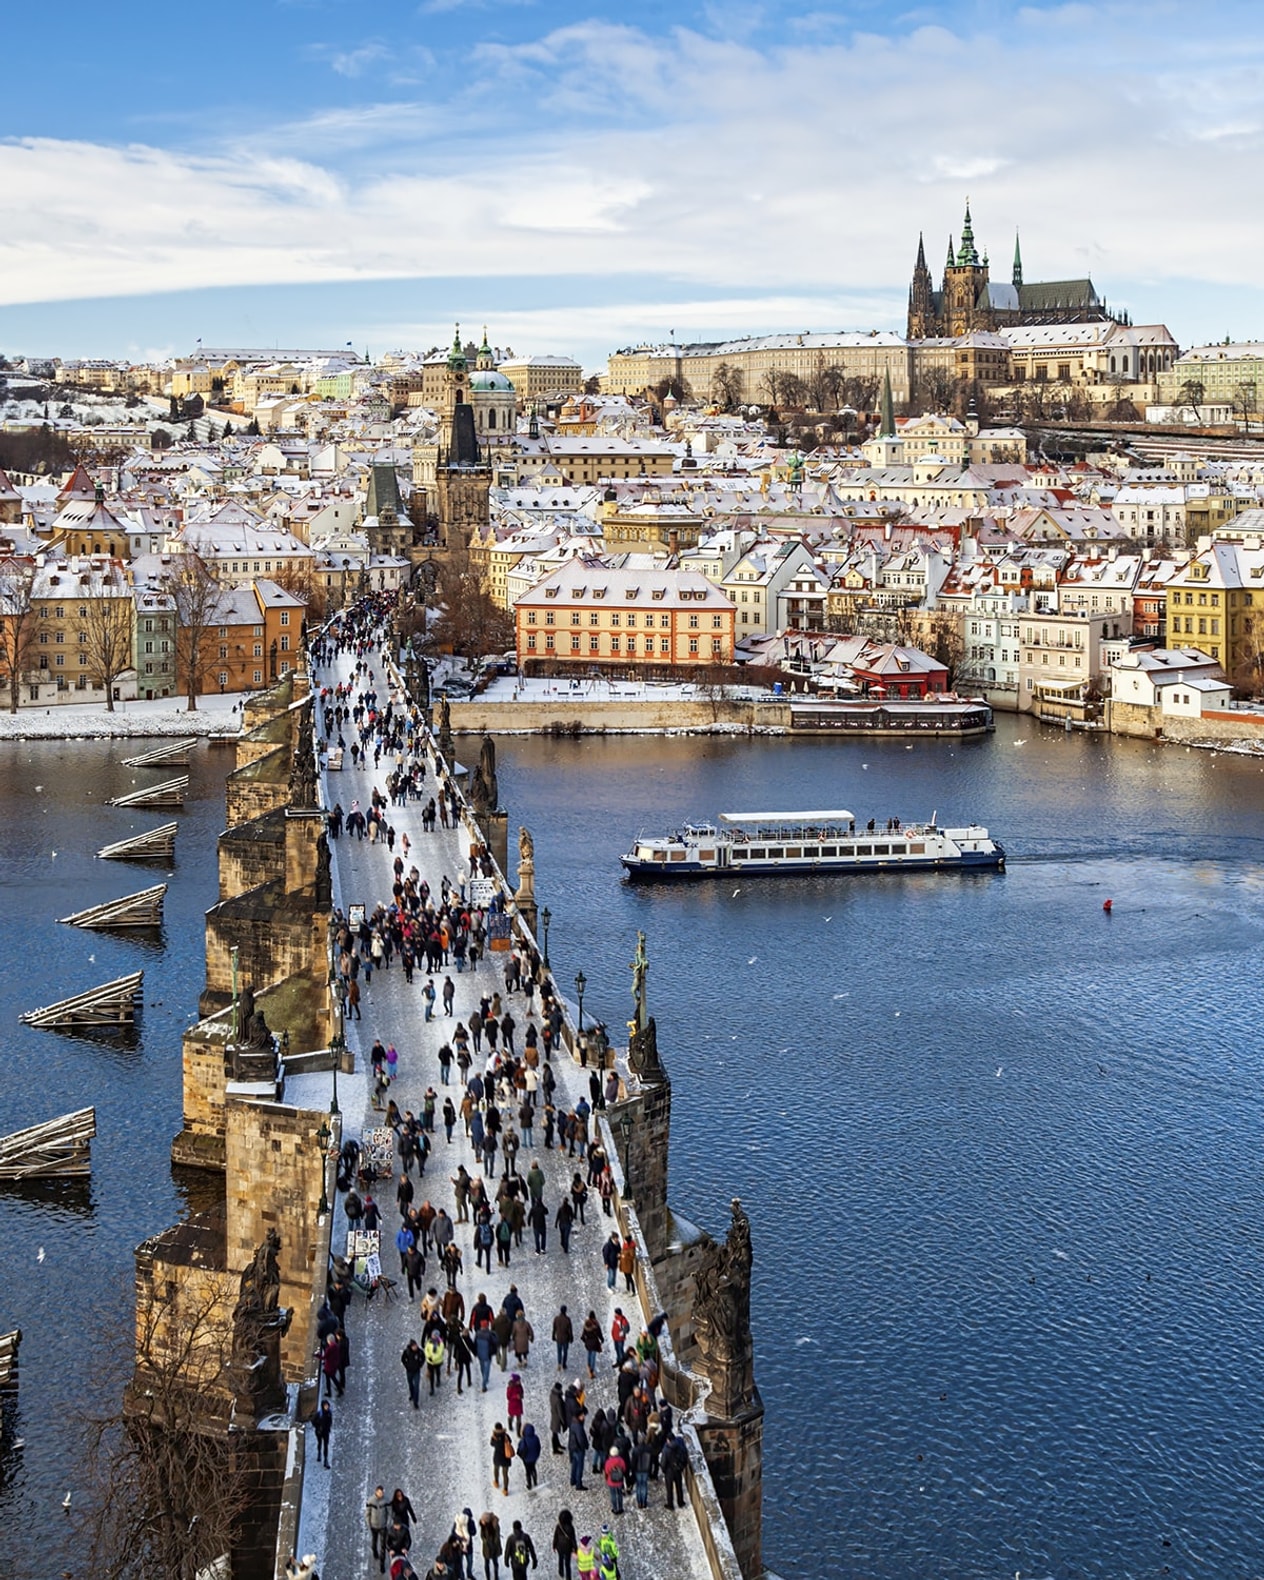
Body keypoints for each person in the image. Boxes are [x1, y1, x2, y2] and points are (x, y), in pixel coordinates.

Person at [661, 1430, 688, 1510]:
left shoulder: (666, 1449)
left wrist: (664, 1470)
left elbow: (663, 1462)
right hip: (677, 1470)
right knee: (679, 1487)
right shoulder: (679, 1446)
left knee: (669, 1489)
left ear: (668, 1440)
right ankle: (680, 1502)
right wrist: (681, 1467)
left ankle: (670, 1504)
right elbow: (684, 1457)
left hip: (669, 1471)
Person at [365, 1485, 389, 1574]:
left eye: (382, 1492)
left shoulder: (386, 1500)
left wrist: (388, 1523)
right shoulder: (371, 1501)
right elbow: (367, 1513)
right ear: (376, 1492)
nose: (381, 1494)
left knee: (383, 1546)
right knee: (374, 1542)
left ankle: (382, 1565)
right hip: (374, 1526)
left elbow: (389, 1512)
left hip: (383, 1526)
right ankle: (375, 1552)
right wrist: (369, 1524)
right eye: (379, 1492)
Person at [567, 1407, 588, 1491]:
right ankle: (579, 1484)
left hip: (573, 1447)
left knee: (574, 1464)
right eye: (582, 1415)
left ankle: (573, 1480)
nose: (584, 1417)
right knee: (580, 1466)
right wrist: (584, 1446)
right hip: (578, 1448)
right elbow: (580, 1439)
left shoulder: (573, 1422)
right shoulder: (578, 1426)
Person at [551, 1511, 577, 1580]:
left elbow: (555, 1537)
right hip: (568, 1548)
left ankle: (561, 1572)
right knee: (567, 1564)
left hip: (559, 1547)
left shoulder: (558, 1526)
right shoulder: (571, 1528)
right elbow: (573, 1539)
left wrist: (554, 1545)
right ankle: (568, 1577)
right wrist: (575, 1549)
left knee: (560, 1559)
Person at [491, 1422, 515, 1495]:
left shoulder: (494, 1436)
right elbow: (510, 1441)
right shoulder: (505, 1436)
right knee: (505, 1474)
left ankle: (496, 1482)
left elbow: (492, 1444)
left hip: (497, 1456)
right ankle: (505, 1489)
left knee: (496, 1469)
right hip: (505, 1457)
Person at [603, 1444, 626, 1516]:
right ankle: (620, 1508)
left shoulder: (608, 1461)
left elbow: (607, 1471)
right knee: (619, 1495)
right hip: (619, 1480)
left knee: (613, 1495)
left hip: (611, 1481)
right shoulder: (621, 1460)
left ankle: (615, 1508)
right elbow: (624, 1469)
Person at [479, 1510, 503, 1580]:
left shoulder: (495, 1525)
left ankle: (496, 1577)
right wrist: (485, 1541)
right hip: (486, 1548)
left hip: (494, 1547)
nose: (482, 1521)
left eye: (483, 1520)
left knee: (495, 1562)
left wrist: (493, 1545)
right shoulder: (483, 1526)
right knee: (486, 1563)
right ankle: (488, 1577)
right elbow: (482, 1535)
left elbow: (497, 1537)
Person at [402, 1338, 424, 1409]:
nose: (415, 1347)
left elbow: (423, 1358)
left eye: (416, 1345)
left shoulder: (419, 1352)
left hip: (416, 1371)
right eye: (414, 1346)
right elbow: (403, 1359)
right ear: (411, 1346)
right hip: (409, 1371)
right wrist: (407, 1366)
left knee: (416, 1386)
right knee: (410, 1384)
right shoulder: (407, 1352)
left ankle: (415, 1402)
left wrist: (420, 1365)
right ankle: (412, 1394)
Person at [580, 1311, 603, 1380]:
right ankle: (592, 1370)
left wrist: (585, 1341)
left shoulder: (586, 1324)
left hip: (588, 1342)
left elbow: (582, 1336)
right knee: (593, 1356)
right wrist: (602, 1339)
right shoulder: (596, 1324)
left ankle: (588, 1366)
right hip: (595, 1342)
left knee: (589, 1354)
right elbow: (599, 1334)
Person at [519, 1421, 542, 1489]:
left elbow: (521, 1449)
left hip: (526, 1458)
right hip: (534, 1457)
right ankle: (535, 1481)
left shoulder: (524, 1440)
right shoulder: (536, 1438)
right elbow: (538, 1447)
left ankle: (529, 1484)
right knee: (533, 1468)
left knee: (528, 1471)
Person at [310, 1399, 332, 1467]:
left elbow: (330, 1421)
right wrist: (318, 1426)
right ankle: (319, 1453)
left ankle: (325, 1459)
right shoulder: (319, 1414)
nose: (326, 1407)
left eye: (327, 1406)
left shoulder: (329, 1413)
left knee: (326, 1445)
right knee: (319, 1443)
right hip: (319, 1432)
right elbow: (313, 1421)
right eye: (325, 1406)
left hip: (326, 1432)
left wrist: (328, 1428)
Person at [552, 1305, 574, 1372]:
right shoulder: (567, 1319)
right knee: (565, 1352)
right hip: (565, 1339)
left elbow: (554, 1328)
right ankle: (564, 1364)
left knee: (559, 1351)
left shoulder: (556, 1319)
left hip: (559, 1338)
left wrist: (553, 1336)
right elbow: (570, 1330)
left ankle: (559, 1363)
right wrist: (571, 1338)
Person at [425, 1330, 446, 1395]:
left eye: (434, 1335)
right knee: (431, 1375)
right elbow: (426, 1349)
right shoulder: (429, 1341)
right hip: (430, 1362)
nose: (433, 1336)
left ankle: (438, 1380)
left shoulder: (440, 1343)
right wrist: (428, 1356)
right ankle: (432, 1388)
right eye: (432, 1335)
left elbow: (440, 1353)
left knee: (437, 1371)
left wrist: (433, 1358)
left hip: (437, 1361)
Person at [507, 1372, 525, 1438]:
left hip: (519, 1405)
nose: (520, 1381)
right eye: (518, 1380)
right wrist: (516, 1396)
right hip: (513, 1405)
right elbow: (508, 1397)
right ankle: (510, 1424)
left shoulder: (519, 1386)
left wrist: (521, 1395)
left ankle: (518, 1433)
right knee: (511, 1416)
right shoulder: (510, 1387)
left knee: (519, 1419)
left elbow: (522, 1391)